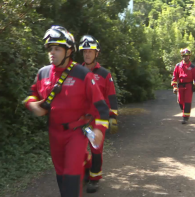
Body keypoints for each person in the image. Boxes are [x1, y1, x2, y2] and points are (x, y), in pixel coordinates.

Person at [22, 25, 109, 197]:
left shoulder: (83, 74)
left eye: (57, 49)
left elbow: (101, 106)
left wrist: (99, 129)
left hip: (76, 133)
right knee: (61, 175)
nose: (52, 53)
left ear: (69, 51)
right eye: (50, 49)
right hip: (54, 133)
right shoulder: (42, 73)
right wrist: (32, 105)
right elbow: (30, 95)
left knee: (71, 175)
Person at [78, 35, 118, 193]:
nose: (87, 54)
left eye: (90, 51)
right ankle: (86, 171)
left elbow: (111, 96)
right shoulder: (76, 72)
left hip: (98, 120)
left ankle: (94, 179)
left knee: (95, 149)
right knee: (80, 149)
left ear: (96, 53)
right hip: (80, 120)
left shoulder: (104, 74)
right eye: (84, 51)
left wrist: (113, 117)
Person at [171, 48, 195, 124]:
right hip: (180, 86)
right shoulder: (178, 66)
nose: (185, 57)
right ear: (182, 56)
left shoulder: (193, 67)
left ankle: (185, 117)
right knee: (180, 101)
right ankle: (184, 112)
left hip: (189, 86)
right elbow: (174, 77)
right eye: (184, 56)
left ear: (189, 56)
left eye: (187, 56)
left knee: (187, 101)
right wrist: (174, 86)